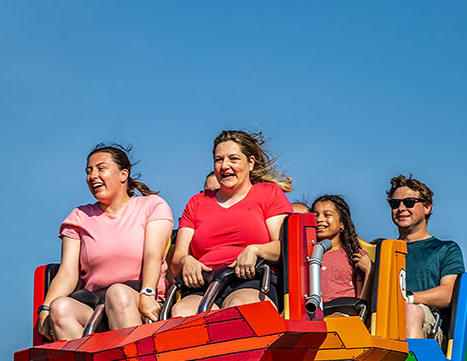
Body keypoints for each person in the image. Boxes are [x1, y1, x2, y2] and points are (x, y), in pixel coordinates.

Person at [37, 144, 173, 341]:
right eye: (89, 171)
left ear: (123, 174)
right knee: (60, 307)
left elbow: (154, 255)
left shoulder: (151, 206)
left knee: (117, 294)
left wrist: (147, 293)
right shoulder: (79, 217)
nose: (93, 176)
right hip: (93, 305)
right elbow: (67, 272)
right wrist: (46, 307)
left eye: (101, 168)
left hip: (137, 298)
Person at [171, 130, 293, 316]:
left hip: (251, 279)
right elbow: (177, 259)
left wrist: (256, 250)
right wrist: (187, 260)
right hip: (203, 283)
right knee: (182, 312)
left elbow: (283, 247)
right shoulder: (197, 202)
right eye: (219, 160)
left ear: (250, 163)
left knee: (240, 309)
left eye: (233, 159)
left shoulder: (269, 194)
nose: (225, 166)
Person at [389, 175, 464, 340]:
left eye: (409, 202)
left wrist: (407, 298)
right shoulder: (383, 250)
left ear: (427, 207)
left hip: (430, 327)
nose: (401, 208)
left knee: (410, 311)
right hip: (385, 321)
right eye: (395, 204)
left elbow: (448, 293)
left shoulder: (445, 249)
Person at [312, 195, 372, 303]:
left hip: (343, 314)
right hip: (312, 316)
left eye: (327, 215)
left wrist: (369, 270)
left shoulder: (354, 255)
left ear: (342, 223)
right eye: (315, 215)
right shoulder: (307, 255)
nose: (319, 219)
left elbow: (362, 301)